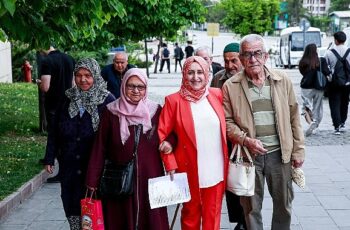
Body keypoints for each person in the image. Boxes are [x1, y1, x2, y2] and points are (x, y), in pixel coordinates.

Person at [222, 34, 305, 230]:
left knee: (284, 205)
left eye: (257, 53)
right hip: (250, 157)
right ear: (241, 58)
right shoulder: (230, 86)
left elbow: (294, 116)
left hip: (280, 155)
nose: (252, 59)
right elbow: (226, 122)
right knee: (250, 208)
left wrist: (298, 150)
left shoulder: (281, 80)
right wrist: (246, 140)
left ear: (265, 56)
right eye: (247, 55)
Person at [86, 68, 169, 230]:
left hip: (150, 176)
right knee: (120, 219)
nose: (136, 91)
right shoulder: (111, 112)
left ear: (146, 88)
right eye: (131, 86)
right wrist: (92, 180)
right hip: (119, 178)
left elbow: (170, 133)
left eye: (141, 87)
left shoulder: (156, 111)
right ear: (123, 86)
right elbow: (100, 147)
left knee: (151, 218)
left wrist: (169, 143)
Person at [43, 58, 115, 230]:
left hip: (95, 168)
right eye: (78, 75)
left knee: (95, 211)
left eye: (88, 75)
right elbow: (54, 131)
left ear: (95, 76)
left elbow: (114, 134)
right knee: (71, 205)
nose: (83, 80)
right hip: (69, 166)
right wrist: (49, 157)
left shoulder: (107, 100)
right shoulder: (67, 98)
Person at [158, 56, 228, 230]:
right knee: (190, 217)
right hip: (187, 169)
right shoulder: (173, 101)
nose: (195, 77)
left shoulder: (216, 95)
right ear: (184, 74)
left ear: (206, 75)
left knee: (213, 216)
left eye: (199, 72)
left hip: (216, 168)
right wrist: (170, 163)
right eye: (190, 72)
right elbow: (162, 135)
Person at [211, 42, 246, 230]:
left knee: (245, 181)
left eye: (234, 60)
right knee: (230, 182)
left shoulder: (248, 77)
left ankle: (245, 220)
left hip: (244, 138)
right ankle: (238, 219)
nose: (230, 65)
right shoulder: (218, 78)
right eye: (226, 61)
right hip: (223, 138)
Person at [39, 46, 75, 183]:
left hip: (54, 105)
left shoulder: (47, 61)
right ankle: (67, 169)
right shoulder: (69, 58)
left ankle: (62, 172)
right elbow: (74, 83)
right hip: (69, 103)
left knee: (55, 136)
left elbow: (45, 87)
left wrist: (39, 83)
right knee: (66, 136)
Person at [299, 43, 331, 136]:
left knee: (305, 107)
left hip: (306, 87)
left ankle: (310, 122)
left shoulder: (303, 61)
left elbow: (302, 73)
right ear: (316, 50)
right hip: (318, 87)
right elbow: (327, 72)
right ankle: (315, 124)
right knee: (317, 107)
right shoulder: (321, 60)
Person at [324, 31, 350, 135]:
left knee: (334, 104)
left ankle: (337, 126)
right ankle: (343, 122)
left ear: (335, 40)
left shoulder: (329, 52)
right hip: (347, 82)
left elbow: (326, 67)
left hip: (334, 82)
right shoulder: (349, 51)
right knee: (345, 102)